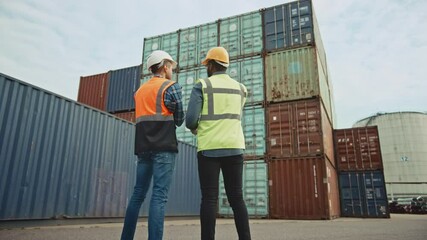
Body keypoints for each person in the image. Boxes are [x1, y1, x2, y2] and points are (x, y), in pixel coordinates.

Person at [186, 47, 251, 240]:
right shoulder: (241, 89)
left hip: (209, 149)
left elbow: (190, 120)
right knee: (237, 198)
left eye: (207, 64)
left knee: (209, 198)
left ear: (212, 65)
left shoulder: (202, 85)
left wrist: (195, 128)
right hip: (234, 147)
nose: (207, 67)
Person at [121, 50, 184, 240]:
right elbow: (180, 119)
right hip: (164, 148)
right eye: (171, 66)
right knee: (159, 196)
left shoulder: (139, 91)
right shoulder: (171, 86)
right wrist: (173, 112)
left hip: (143, 149)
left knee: (138, 193)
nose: (172, 69)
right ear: (165, 66)